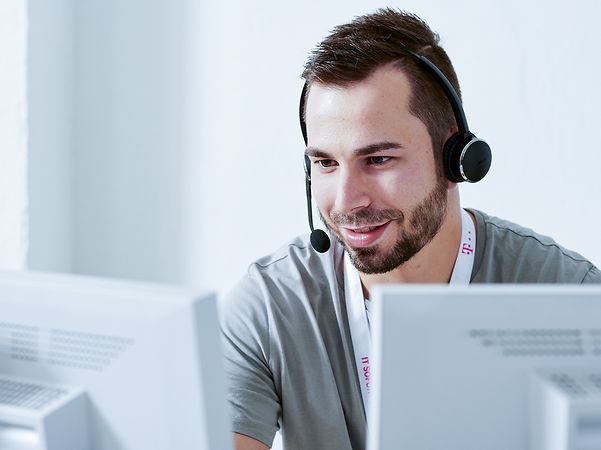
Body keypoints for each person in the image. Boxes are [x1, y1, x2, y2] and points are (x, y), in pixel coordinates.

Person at [221, 8, 601, 450]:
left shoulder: (570, 300)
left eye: (378, 160)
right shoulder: (270, 308)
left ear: (457, 156)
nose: (346, 201)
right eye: (325, 163)